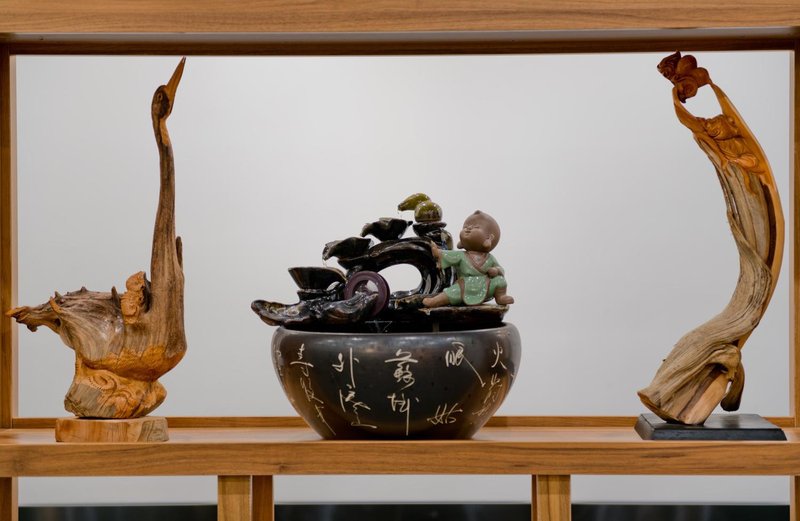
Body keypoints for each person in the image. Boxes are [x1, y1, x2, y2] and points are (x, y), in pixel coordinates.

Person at [422, 210, 514, 307]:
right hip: (464, 286)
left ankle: (500, 297)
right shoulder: (461, 255)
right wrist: (439, 253)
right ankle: (435, 301)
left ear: (489, 238)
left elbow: (501, 270)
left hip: (486, 286)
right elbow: (447, 255)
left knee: (500, 280)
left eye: (476, 227)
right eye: (465, 227)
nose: (468, 228)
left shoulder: (490, 258)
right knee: (452, 291)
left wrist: (496, 270)